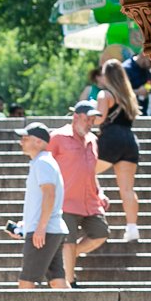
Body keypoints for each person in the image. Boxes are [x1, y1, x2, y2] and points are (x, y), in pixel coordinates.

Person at [50, 101, 108, 286]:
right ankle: (69, 281)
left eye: (93, 119)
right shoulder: (58, 137)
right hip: (66, 201)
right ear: (76, 117)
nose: (91, 123)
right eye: (87, 119)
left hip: (90, 201)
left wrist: (101, 193)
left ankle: (61, 260)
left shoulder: (92, 140)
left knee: (100, 233)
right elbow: (46, 166)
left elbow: (90, 170)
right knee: (69, 241)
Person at [12, 121, 67, 289]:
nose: (21, 142)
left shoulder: (42, 162)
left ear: (39, 141)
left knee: (26, 281)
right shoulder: (42, 162)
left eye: (26, 138)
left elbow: (49, 194)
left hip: (46, 231)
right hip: (51, 229)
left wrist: (40, 227)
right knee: (57, 281)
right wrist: (27, 224)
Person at [92, 59, 142, 243]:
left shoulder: (105, 95)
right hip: (129, 140)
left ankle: (94, 207)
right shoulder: (128, 95)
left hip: (111, 139)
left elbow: (99, 119)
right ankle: (132, 229)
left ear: (107, 76)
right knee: (127, 189)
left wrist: (88, 113)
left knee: (85, 172)